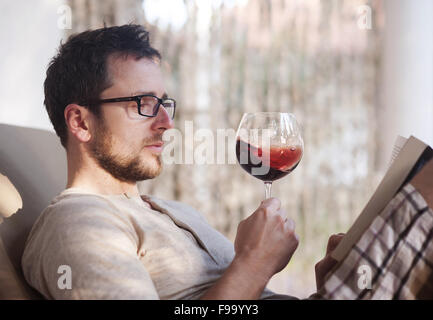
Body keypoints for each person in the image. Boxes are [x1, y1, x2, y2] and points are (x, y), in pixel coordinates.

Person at [21, 24, 432, 300]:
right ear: (80, 121)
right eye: (144, 104)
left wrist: (329, 283)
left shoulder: (169, 211)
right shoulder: (79, 223)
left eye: (165, 103)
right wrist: (254, 266)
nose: (166, 123)